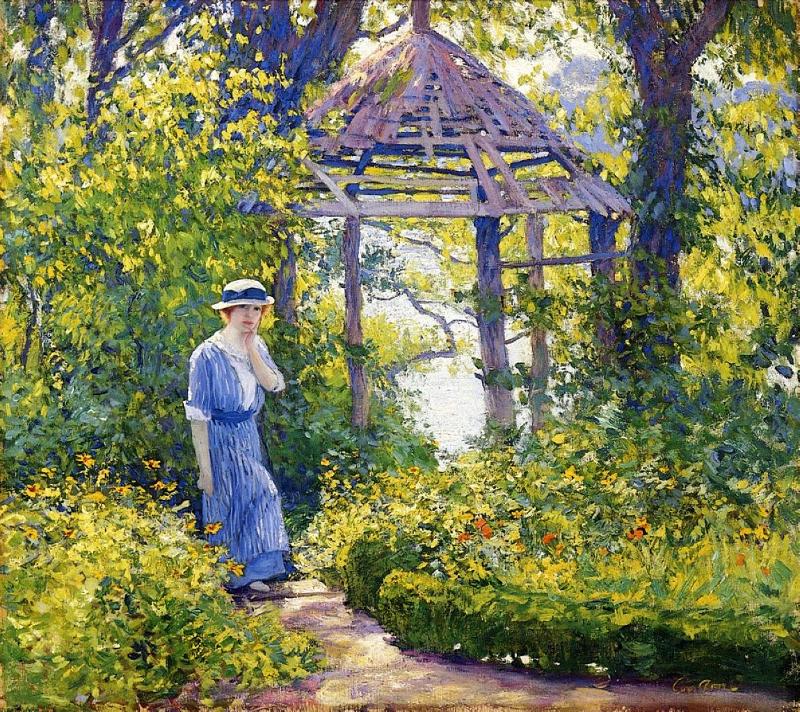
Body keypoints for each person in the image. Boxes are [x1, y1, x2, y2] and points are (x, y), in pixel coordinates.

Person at [184, 278, 290, 591]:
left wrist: (251, 349)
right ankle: (232, 576)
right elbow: (198, 416)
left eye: (256, 309)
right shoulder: (206, 355)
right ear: (228, 311)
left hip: (247, 433)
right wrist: (205, 469)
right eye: (243, 307)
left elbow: (274, 385)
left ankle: (253, 573)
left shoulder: (257, 346)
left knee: (257, 497)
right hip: (218, 437)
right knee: (230, 501)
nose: (250, 315)